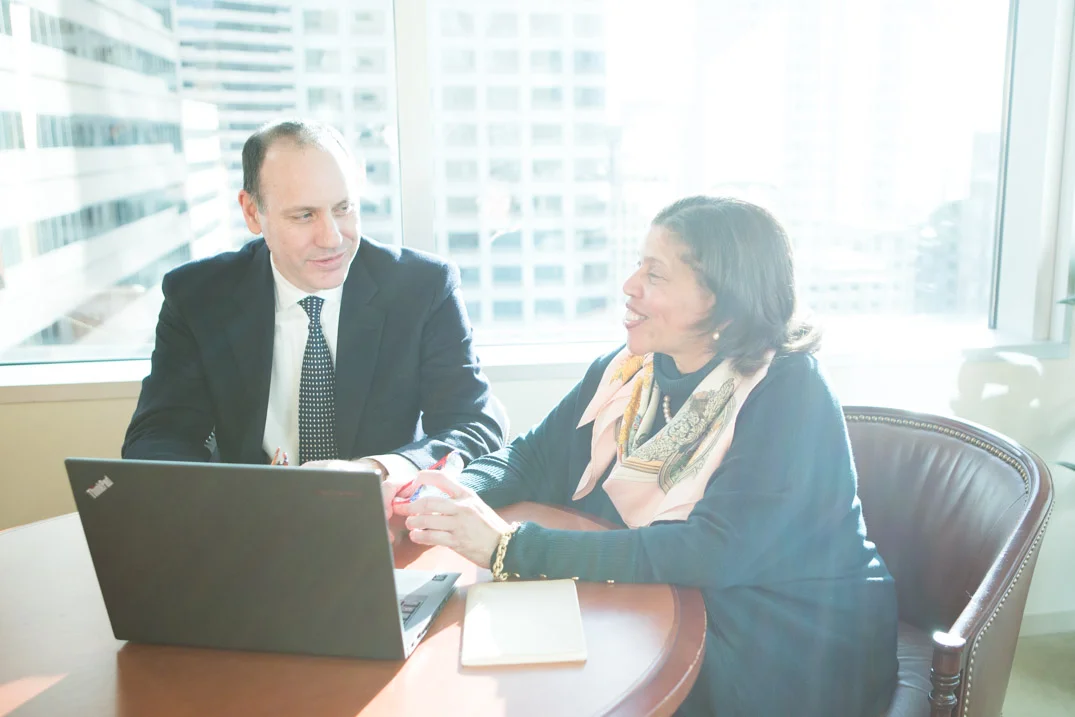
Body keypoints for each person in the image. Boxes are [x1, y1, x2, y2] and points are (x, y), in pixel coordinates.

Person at [391, 196, 899, 716]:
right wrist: (445, 495)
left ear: (724, 301)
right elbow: (530, 459)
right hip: (673, 602)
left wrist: (509, 549)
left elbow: (712, 551)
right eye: (638, 266)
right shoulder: (628, 367)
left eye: (655, 276)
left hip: (784, 639)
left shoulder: (791, 391)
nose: (630, 286)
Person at [123, 119, 508, 502]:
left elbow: (473, 425)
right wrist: (216, 501)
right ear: (253, 213)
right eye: (304, 215)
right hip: (251, 518)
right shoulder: (198, 296)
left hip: (383, 517)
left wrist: (374, 471)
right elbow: (160, 435)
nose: (332, 238)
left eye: (343, 209)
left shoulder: (424, 288)